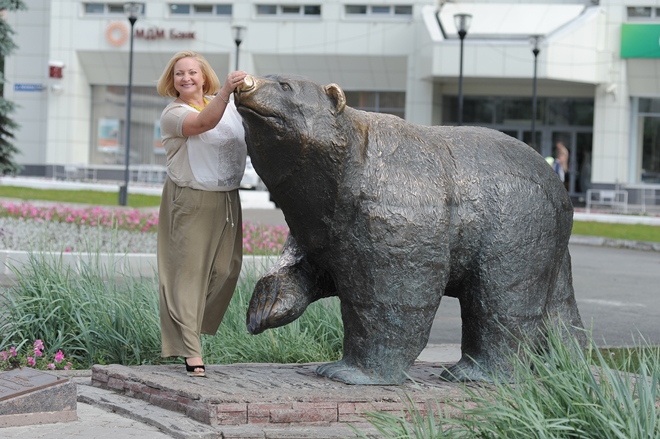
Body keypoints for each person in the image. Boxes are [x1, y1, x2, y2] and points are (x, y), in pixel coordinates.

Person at [155, 51, 247, 377]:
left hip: (227, 198)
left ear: (204, 76)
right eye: (179, 74)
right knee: (188, 277)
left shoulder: (229, 107)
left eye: (192, 72)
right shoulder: (174, 113)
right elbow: (203, 123)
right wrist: (226, 91)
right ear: (173, 80)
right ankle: (190, 349)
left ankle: (190, 324)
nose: (186, 78)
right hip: (191, 199)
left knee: (226, 271)